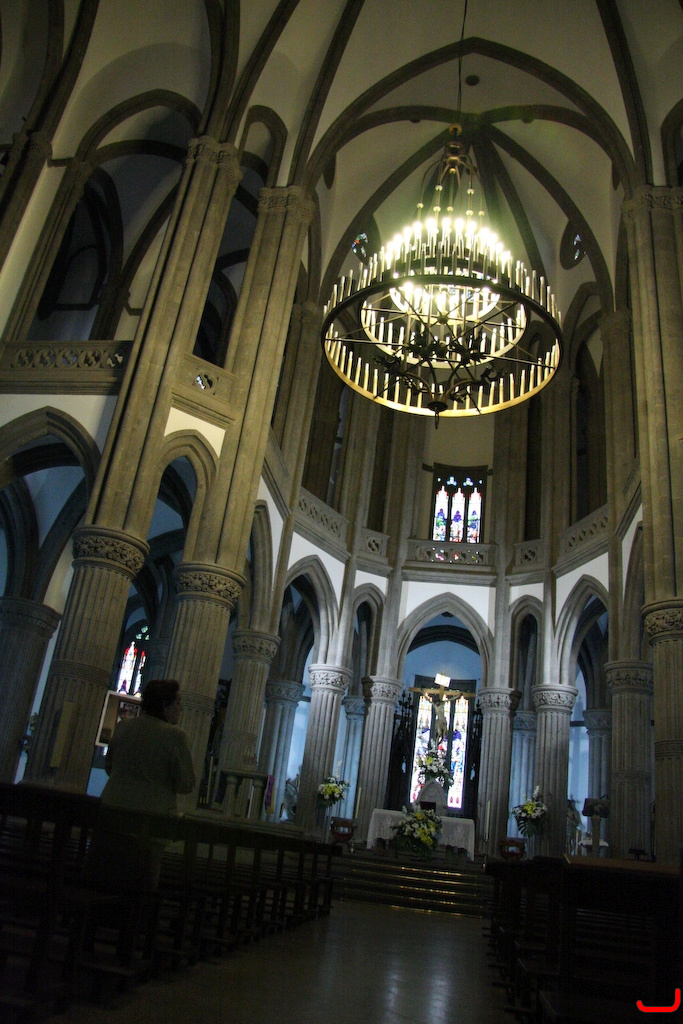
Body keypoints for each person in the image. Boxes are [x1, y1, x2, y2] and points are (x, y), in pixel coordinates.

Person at [88, 679, 196, 892]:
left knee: (100, 884)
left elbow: (110, 766)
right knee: (139, 890)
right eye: (177, 703)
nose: (180, 709)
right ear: (164, 705)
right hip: (149, 822)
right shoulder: (176, 736)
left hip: (111, 814)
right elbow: (186, 783)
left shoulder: (123, 727)